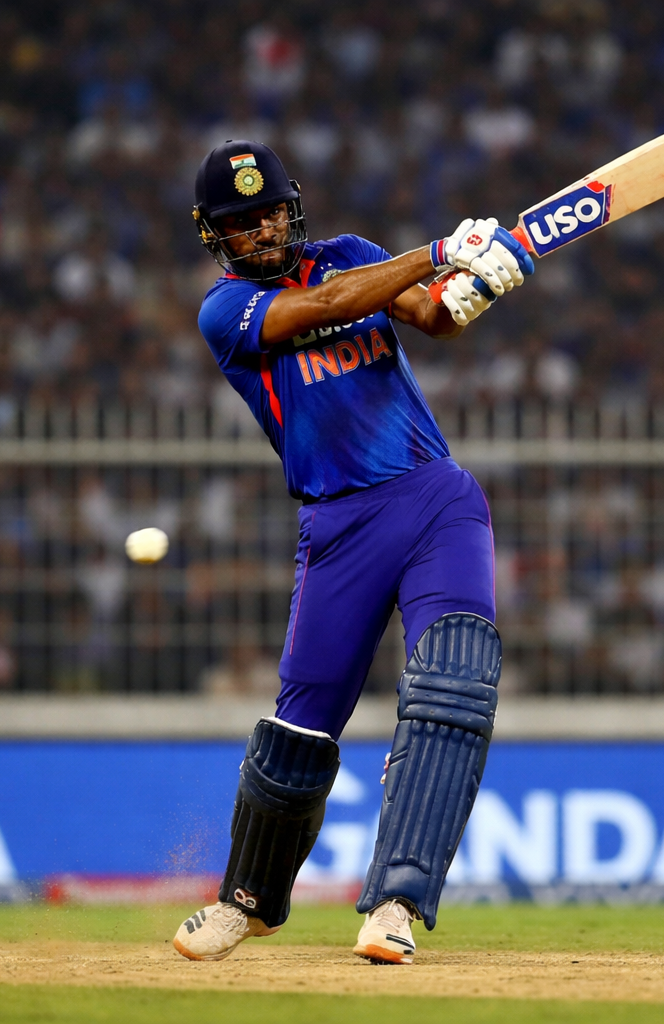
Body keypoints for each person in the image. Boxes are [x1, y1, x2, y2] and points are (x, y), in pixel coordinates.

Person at [171, 140, 533, 965]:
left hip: (434, 498)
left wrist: (481, 282)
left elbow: (432, 318)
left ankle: (396, 903)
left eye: (268, 211)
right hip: (337, 526)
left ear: (290, 205)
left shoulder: (354, 254)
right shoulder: (225, 313)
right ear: (215, 235)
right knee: (301, 725)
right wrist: (440, 252)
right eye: (240, 221)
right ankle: (247, 901)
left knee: (454, 687)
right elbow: (325, 305)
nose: (261, 229)